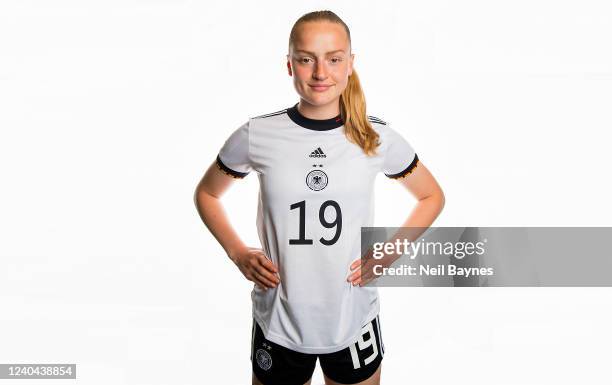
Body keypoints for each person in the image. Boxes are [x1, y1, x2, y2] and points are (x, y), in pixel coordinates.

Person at [194, 10, 445, 385]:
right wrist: (238, 252)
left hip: (352, 316)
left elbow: (431, 196)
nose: (320, 72)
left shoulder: (376, 138)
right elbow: (208, 193)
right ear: (289, 65)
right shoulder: (258, 134)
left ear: (350, 64)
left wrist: (389, 252)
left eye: (334, 59)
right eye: (306, 58)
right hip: (280, 319)